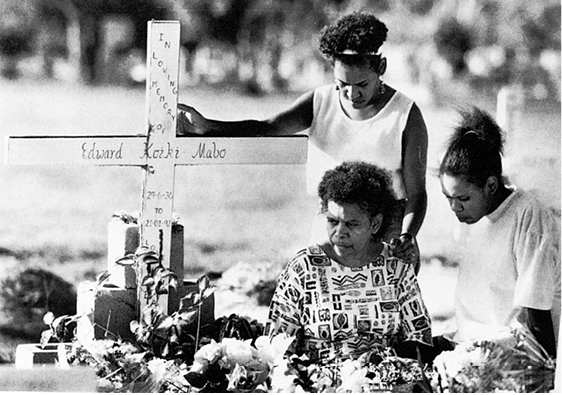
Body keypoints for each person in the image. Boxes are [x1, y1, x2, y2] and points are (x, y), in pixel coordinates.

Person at [177, 12, 428, 271]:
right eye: (343, 84)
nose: (352, 94)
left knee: (384, 307)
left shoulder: (405, 114)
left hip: (386, 229)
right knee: (326, 303)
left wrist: (407, 237)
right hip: (332, 223)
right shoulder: (320, 102)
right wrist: (208, 127)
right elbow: (269, 126)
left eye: (362, 84)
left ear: (381, 68)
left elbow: (417, 193)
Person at [265, 161, 433, 366]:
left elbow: (420, 338)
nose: (340, 233)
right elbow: (278, 344)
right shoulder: (304, 268)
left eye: (352, 224)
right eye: (332, 221)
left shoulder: (396, 267)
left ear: (375, 224)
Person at [439, 106, 560, 357]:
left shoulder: (527, 213)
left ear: (491, 185)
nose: (454, 207)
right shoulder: (475, 216)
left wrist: (549, 373)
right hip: (469, 341)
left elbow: (536, 309)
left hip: (512, 348)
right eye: (448, 197)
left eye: (462, 198)